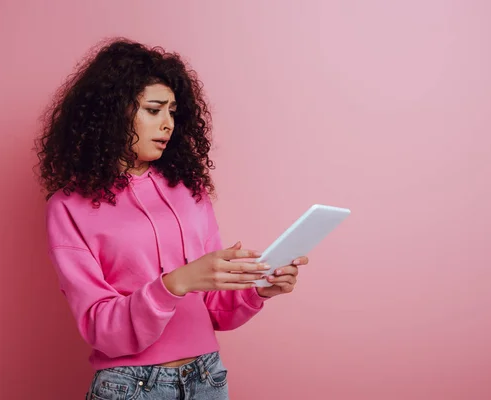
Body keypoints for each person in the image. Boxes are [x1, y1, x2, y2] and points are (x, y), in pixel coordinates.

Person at [35, 37, 308, 400]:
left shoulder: (188, 188)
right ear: (113, 111)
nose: (168, 124)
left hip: (207, 378)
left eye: (173, 112)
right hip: (131, 386)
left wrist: (258, 289)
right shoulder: (69, 206)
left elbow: (216, 310)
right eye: (153, 109)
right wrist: (174, 283)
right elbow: (100, 326)